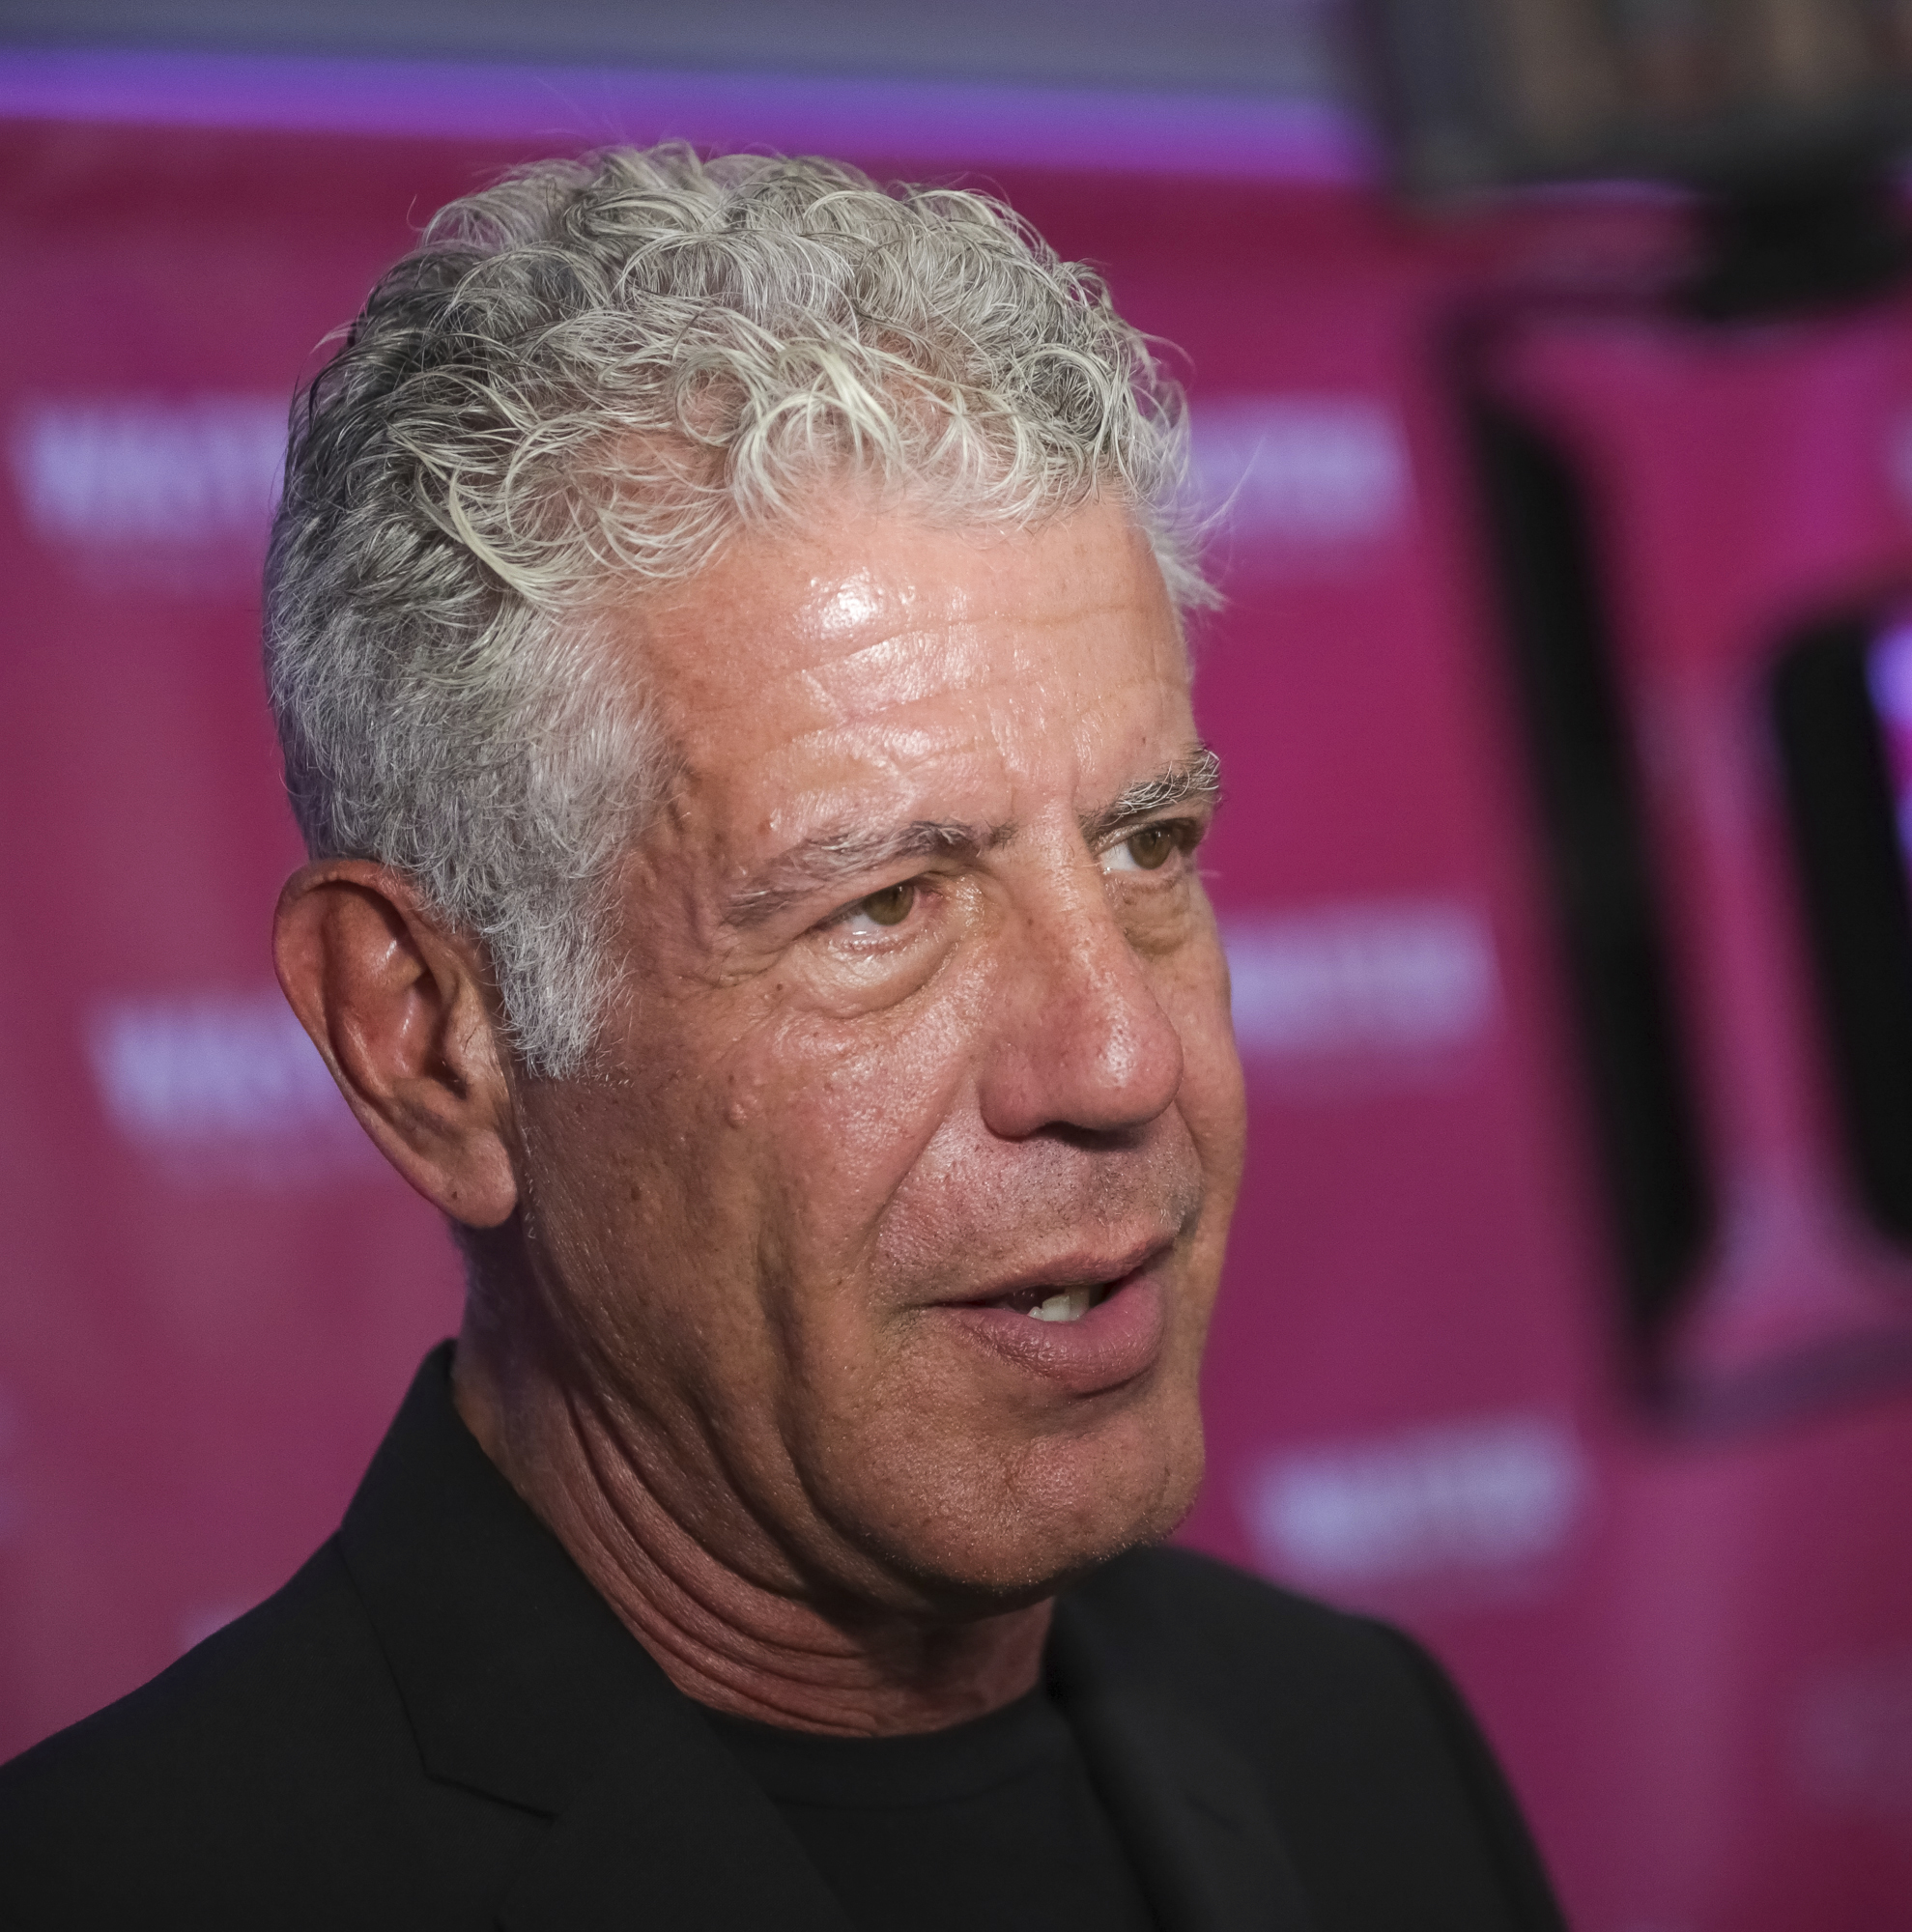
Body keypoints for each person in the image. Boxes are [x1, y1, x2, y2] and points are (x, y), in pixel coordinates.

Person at [0, 147, 1566, 1931]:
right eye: (883, 906)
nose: (1120, 1061)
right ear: (429, 1038)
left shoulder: (1360, 1746)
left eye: (1145, 848)